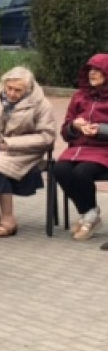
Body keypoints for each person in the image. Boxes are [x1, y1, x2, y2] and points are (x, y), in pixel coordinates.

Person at [0, 67, 56, 237]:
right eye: (9, 88)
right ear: (4, 85)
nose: (12, 93)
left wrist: (10, 143)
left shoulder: (41, 103)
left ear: (28, 89)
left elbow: (47, 137)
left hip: (24, 152)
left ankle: (8, 219)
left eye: (18, 90)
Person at [55, 53, 108, 241]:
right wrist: (74, 126)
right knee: (60, 169)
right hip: (77, 149)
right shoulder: (79, 97)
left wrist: (100, 130)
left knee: (82, 172)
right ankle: (90, 213)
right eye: (90, 70)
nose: (92, 74)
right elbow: (64, 131)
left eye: (97, 70)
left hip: (103, 151)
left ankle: (89, 217)